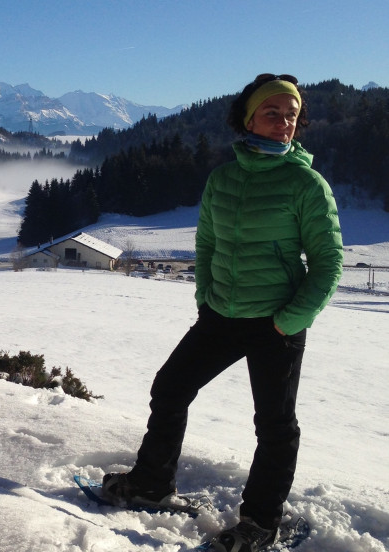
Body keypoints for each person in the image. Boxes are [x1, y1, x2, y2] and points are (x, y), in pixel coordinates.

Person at [100, 74, 343, 552]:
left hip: (276, 321)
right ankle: (151, 485)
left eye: (291, 115)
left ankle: (260, 523)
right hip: (220, 315)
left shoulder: (306, 184)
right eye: (272, 113)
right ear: (249, 118)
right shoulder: (223, 178)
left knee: (274, 426)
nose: (283, 123)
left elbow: (329, 263)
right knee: (170, 388)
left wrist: (289, 321)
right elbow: (207, 243)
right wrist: (205, 295)